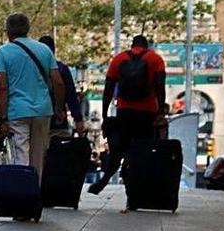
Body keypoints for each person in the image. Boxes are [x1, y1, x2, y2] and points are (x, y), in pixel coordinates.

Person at [88, 35, 166, 197]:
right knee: (143, 150)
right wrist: (160, 112)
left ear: (132, 45)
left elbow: (108, 89)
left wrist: (104, 113)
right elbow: (160, 87)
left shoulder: (119, 59)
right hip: (147, 113)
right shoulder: (155, 59)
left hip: (124, 111)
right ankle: (135, 187)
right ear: (147, 46)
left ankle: (111, 174)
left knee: (119, 149)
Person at [0, 14, 65, 181]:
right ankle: (34, 195)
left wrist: (3, 118)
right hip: (43, 110)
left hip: (17, 112)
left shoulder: (3, 53)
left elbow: (2, 87)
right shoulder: (44, 50)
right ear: (27, 29)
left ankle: (22, 195)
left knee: (21, 155)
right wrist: (59, 108)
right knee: (38, 158)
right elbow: (58, 82)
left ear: (8, 32)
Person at [37, 36, 85, 138]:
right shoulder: (62, 69)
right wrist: (78, 119)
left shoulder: (32, 69)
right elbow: (71, 96)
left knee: (37, 151)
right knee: (59, 150)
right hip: (58, 120)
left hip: (36, 119)